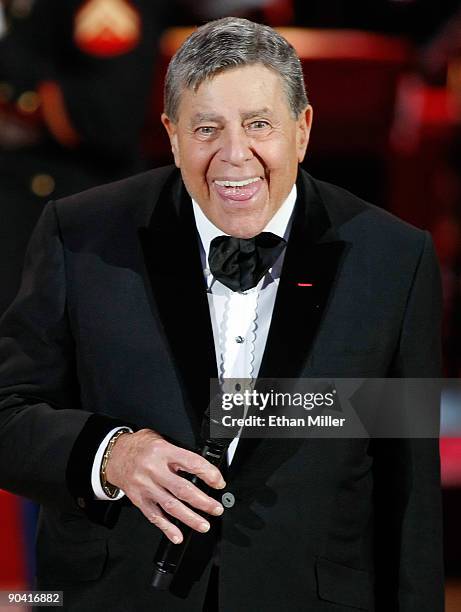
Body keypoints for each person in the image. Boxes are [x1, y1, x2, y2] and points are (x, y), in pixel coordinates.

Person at [0, 16, 444, 612]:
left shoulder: (395, 257)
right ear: (172, 134)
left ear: (303, 129)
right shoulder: (80, 234)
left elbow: (407, 485)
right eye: (206, 128)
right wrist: (111, 454)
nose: (235, 156)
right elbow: (7, 410)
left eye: (259, 124)